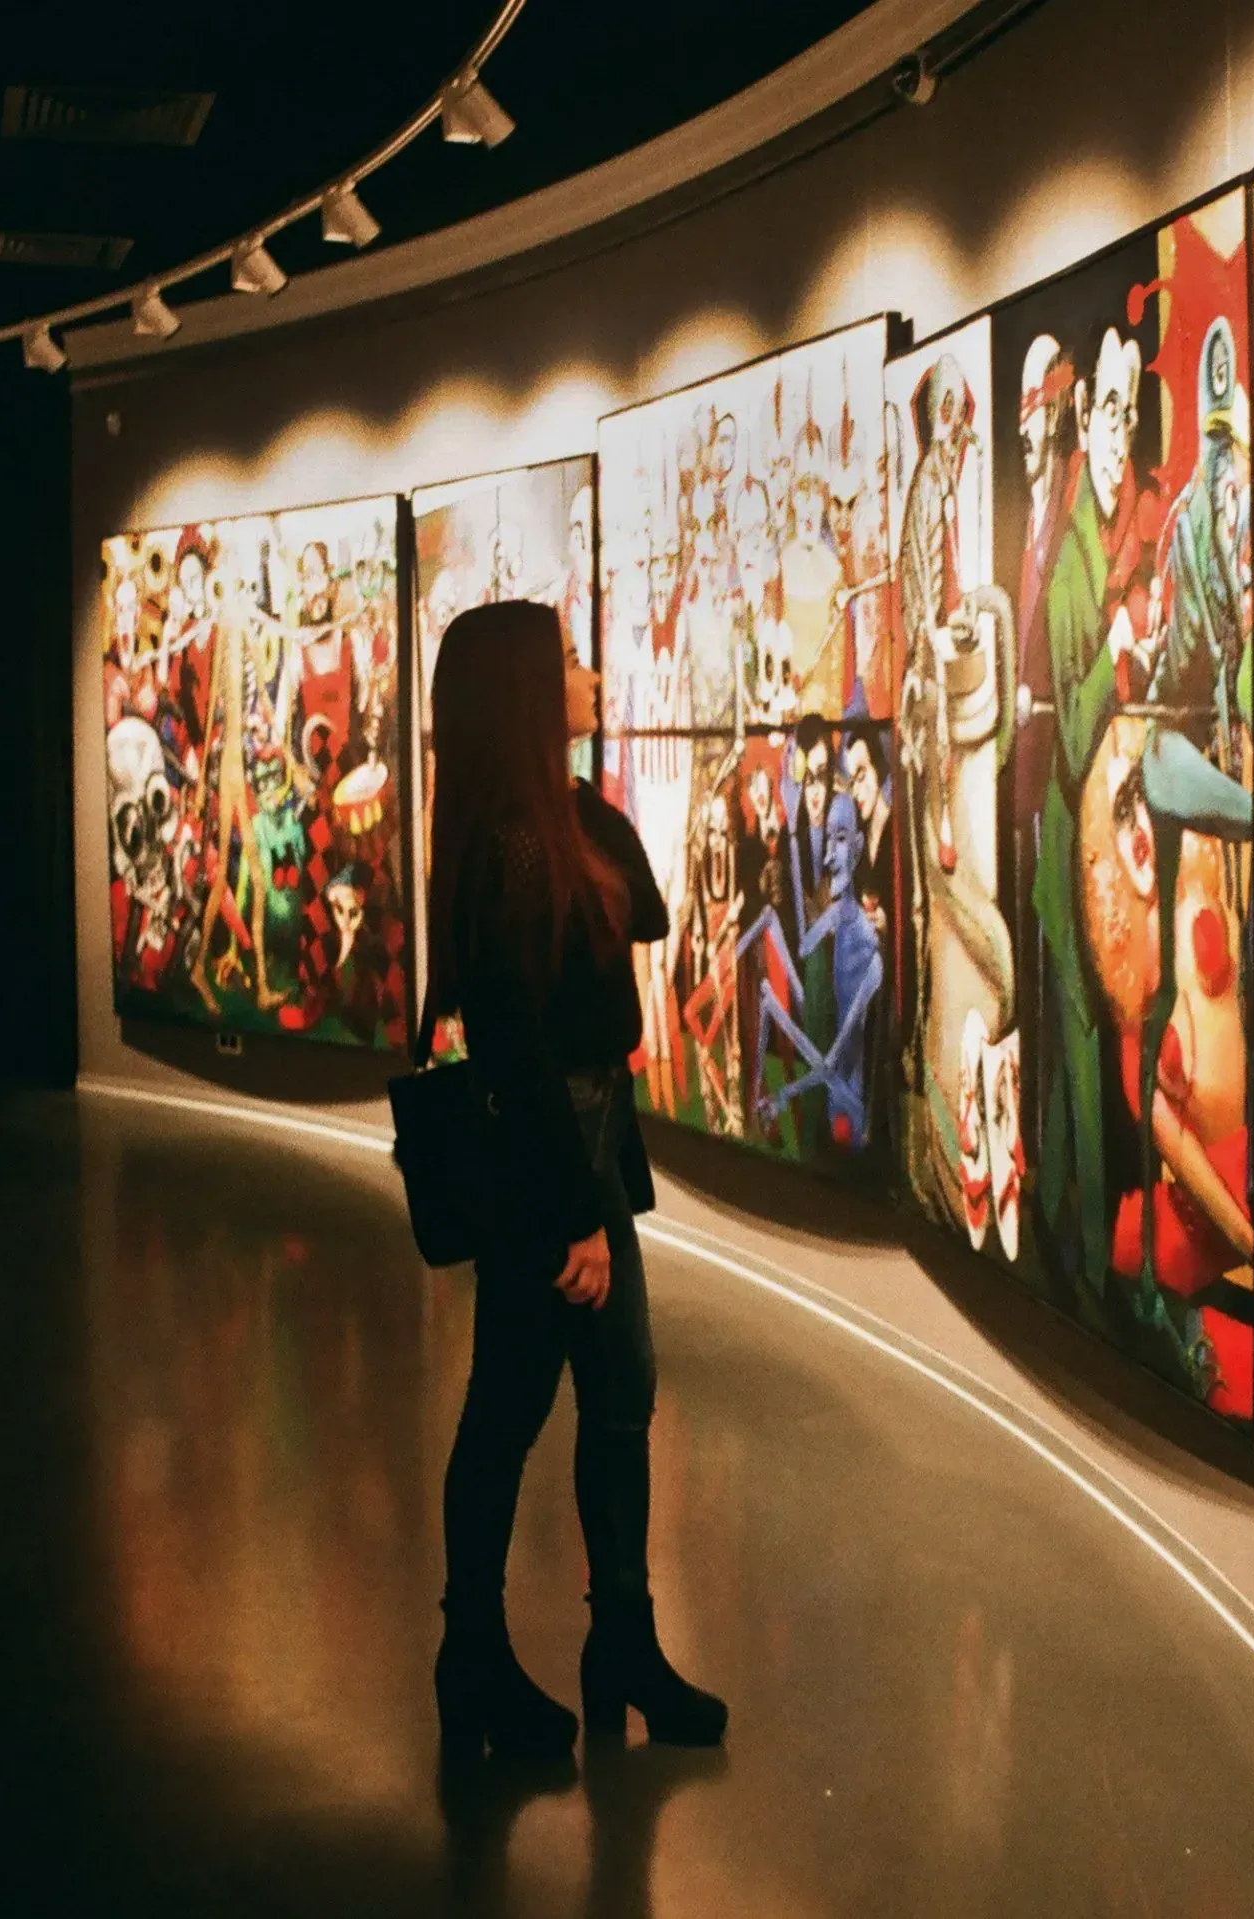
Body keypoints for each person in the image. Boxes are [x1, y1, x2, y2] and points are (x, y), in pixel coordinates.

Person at [426, 598, 727, 1770]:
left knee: (617, 1393)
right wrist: (576, 1220)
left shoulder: (547, 825)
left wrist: (571, 786)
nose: (591, 673)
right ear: (524, 694)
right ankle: (476, 1660)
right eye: (567, 663)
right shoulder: (510, 848)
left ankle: (623, 1647)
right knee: (509, 1405)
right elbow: (518, 1049)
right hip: (554, 1163)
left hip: (590, 1149)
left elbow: (644, 908)